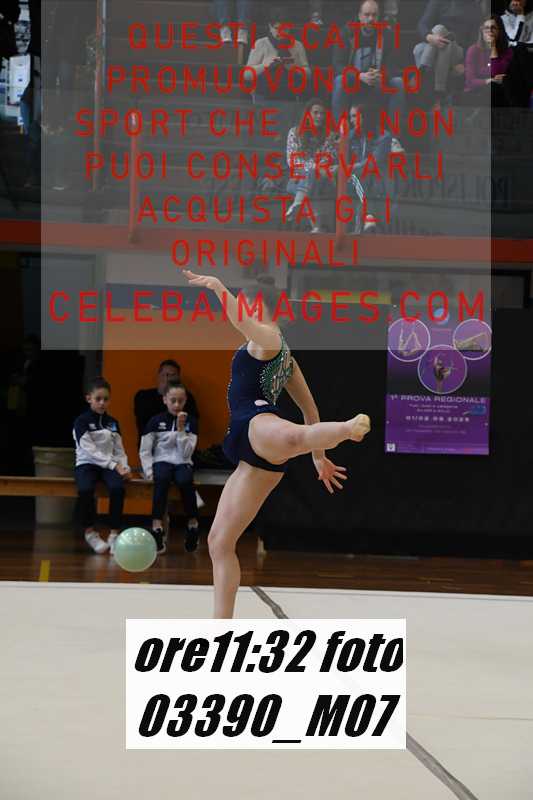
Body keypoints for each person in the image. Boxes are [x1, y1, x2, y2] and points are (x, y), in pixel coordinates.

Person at [183, 270, 371, 619]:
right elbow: (310, 409)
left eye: (244, 301)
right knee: (219, 542)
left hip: (257, 422)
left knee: (292, 436)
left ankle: (347, 428)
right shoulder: (286, 357)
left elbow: (242, 322)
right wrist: (318, 458)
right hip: (255, 460)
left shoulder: (267, 337)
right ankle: (220, 626)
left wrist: (217, 287)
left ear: (256, 305)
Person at [139, 380, 200, 554]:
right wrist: (148, 471)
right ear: (165, 399)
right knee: (162, 479)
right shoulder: (155, 421)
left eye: (180, 401)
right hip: (161, 461)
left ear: (185, 400)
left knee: (185, 481)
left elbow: (187, 453)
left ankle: (193, 524)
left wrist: (181, 430)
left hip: (182, 461)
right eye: (173, 400)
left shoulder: (191, 422)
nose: (176, 405)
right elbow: (145, 450)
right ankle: (157, 526)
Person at [73, 377, 131, 554]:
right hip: (87, 464)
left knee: (118, 488)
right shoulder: (81, 421)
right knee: (85, 489)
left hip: (109, 466)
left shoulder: (113, 422)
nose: (102, 403)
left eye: (105, 399)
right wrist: (114, 465)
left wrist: (124, 467)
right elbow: (89, 450)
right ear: (88, 398)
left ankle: (114, 534)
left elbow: (119, 449)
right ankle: (90, 532)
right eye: (98, 399)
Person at [285, 98, 338, 233]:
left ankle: (298, 203)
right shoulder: (294, 133)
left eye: (322, 113)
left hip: (322, 181)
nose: (319, 116)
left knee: (312, 179)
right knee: (311, 181)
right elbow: (293, 161)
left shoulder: (330, 136)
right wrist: (314, 168)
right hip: (298, 179)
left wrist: (313, 169)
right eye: (315, 113)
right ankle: (317, 227)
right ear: (308, 114)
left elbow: (327, 160)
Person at [346, 103, 393, 233]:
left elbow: (373, 163)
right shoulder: (350, 136)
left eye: (354, 116)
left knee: (366, 173)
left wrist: (350, 168)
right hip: (354, 180)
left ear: (365, 117)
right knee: (359, 178)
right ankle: (368, 218)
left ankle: (362, 223)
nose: (351, 120)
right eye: (350, 117)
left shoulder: (384, 136)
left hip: (378, 180)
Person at [134, 359, 199, 445]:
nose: (168, 379)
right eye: (165, 375)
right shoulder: (143, 397)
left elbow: (190, 424)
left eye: (173, 375)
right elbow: (144, 425)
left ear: (178, 378)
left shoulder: (187, 398)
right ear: (159, 376)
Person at [464, 15, 513, 105]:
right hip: (475, 93)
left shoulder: (507, 51)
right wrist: (488, 80)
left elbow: (497, 72)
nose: (490, 31)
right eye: (486, 28)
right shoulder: (473, 50)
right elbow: (470, 81)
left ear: (499, 31)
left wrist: (493, 47)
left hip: (497, 93)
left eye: (493, 28)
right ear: (481, 31)